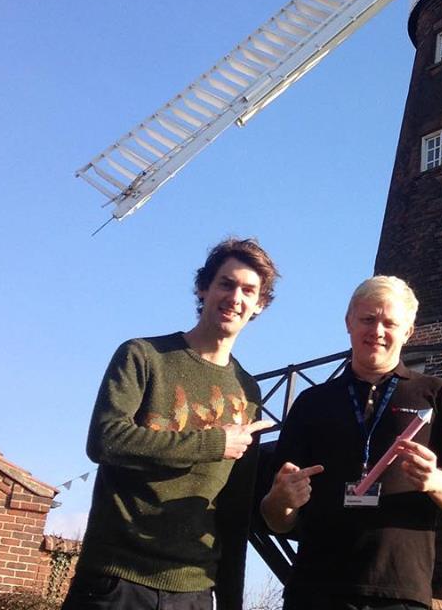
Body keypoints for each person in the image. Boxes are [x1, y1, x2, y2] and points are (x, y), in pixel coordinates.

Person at [62, 237, 279, 610]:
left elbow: (234, 506)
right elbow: (106, 440)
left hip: (193, 589)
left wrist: (229, 601)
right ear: (203, 287)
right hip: (117, 579)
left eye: (248, 290)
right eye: (226, 284)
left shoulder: (248, 391)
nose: (235, 298)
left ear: (259, 305)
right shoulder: (144, 356)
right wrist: (212, 444)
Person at [261, 275, 442, 610]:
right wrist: (282, 500)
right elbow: (275, 517)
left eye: (389, 323)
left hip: (398, 591)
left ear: (408, 331)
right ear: (348, 323)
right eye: (368, 319)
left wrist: (435, 481)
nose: (377, 331)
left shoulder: (437, 396)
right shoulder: (312, 402)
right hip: (315, 590)